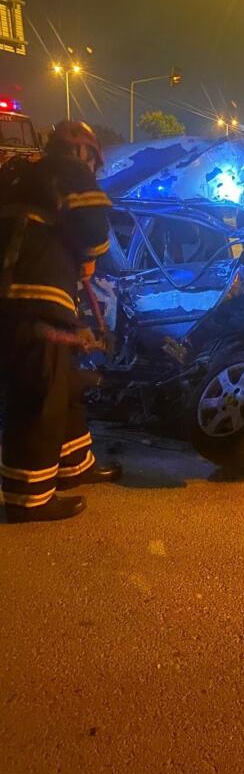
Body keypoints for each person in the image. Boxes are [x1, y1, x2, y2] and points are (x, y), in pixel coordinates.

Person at [0, 121, 120, 522]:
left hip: (16, 298)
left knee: (61, 384)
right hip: (37, 297)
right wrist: (89, 257)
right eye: (93, 160)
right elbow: (93, 228)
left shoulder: (21, 171)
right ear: (83, 152)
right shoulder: (67, 169)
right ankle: (28, 497)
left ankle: (74, 465)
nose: (93, 168)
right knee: (40, 394)